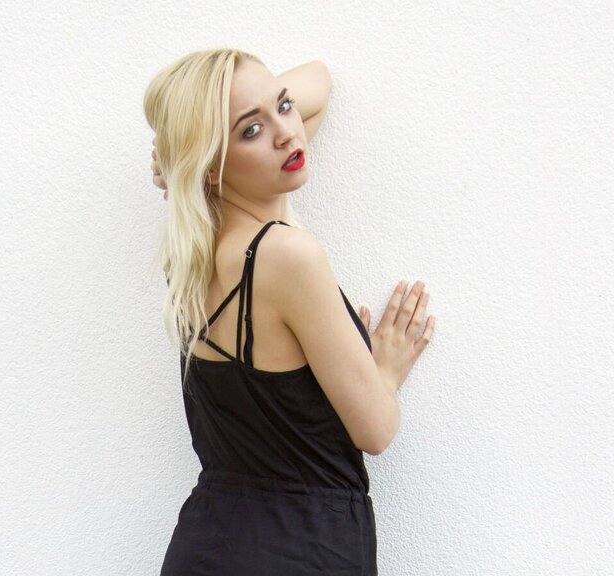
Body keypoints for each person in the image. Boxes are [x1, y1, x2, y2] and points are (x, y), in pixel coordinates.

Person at [143, 48, 435, 575]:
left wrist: (208, 136)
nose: (288, 133)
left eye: (283, 106)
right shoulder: (286, 256)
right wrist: (386, 369)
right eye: (251, 131)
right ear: (211, 166)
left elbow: (319, 79)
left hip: (207, 545)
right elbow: (375, 431)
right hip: (303, 550)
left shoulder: (190, 259)